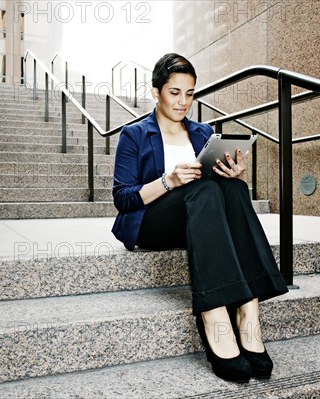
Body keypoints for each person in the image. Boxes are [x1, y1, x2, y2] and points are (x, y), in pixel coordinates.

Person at [112, 53, 289, 382]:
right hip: (153, 221)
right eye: (174, 92)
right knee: (203, 192)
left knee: (234, 189)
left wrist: (231, 173)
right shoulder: (134, 134)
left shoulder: (202, 131)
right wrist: (170, 181)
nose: (183, 102)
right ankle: (214, 314)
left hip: (199, 219)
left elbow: (216, 183)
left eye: (190, 93)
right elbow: (123, 199)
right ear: (156, 92)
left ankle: (249, 309)